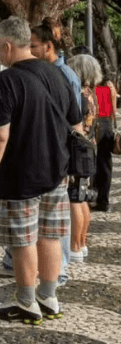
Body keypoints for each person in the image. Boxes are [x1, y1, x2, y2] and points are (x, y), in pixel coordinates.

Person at [0, 17, 82, 325]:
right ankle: (48, 297)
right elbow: (77, 125)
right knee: (50, 236)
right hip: (57, 172)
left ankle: (26, 303)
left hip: (20, 175)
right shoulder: (58, 74)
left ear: (7, 46)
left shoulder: (6, 81)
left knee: (23, 239)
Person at [66, 54, 102, 261]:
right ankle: (81, 243)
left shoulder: (79, 96)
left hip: (77, 151)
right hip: (88, 149)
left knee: (75, 198)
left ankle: (75, 246)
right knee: (82, 197)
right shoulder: (91, 94)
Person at [93, 68, 118, 212]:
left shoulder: (92, 87)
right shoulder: (111, 87)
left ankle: (92, 194)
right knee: (105, 163)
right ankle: (104, 201)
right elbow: (114, 111)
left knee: (93, 161)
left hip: (96, 123)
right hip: (107, 123)